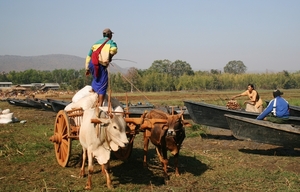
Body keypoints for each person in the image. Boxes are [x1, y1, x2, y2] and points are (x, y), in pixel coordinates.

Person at [85, 28, 118, 106]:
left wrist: (87, 68)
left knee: (97, 79)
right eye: (111, 35)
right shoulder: (110, 42)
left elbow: (88, 56)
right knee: (103, 83)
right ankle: (100, 105)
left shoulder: (95, 43)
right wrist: (109, 56)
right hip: (100, 65)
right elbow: (114, 49)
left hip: (92, 64)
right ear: (109, 35)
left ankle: (93, 92)